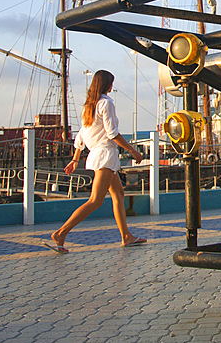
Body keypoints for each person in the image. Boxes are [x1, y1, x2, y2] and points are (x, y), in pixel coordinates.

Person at [46, 70, 146, 252]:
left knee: (118, 195)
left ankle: (126, 236)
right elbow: (112, 133)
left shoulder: (89, 105)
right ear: (107, 84)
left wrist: (76, 158)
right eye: (111, 83)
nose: (112, 87)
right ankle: (61, 233)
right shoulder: (106, 103)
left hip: (98, 154)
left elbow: (82, 135)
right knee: (95, 201)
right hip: (105, 155)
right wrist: (133, 151)